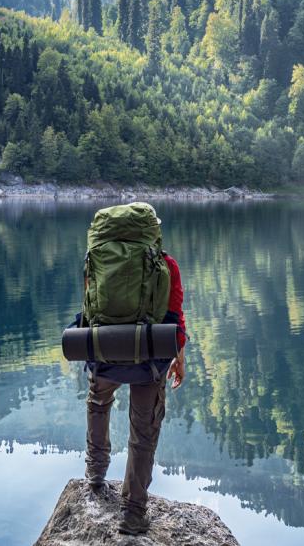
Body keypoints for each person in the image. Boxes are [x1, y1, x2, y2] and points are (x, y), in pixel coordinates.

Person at [82, 205, 187, 536]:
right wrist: (178, 356)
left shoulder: (96, 260)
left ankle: (95, 475)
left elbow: (89, 305)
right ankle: (133, 512)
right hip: (148, 357)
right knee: (143, 431)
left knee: (99, 403)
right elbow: (175, 316)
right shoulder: (166, 265)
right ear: (152, 233)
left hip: (103, 352)